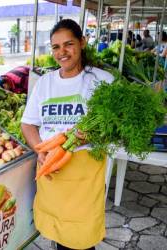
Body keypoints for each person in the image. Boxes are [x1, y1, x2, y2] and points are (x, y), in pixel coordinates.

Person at [21, 19, 114, 250]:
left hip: (84, 175)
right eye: (55, 47)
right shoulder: (45, 83)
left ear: (82, 43)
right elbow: (28, 124)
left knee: (79, 240)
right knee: (57, 233)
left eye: (68, 44)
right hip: (52, 169)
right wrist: (40, 150)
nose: (62, 52)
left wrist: (91, 136)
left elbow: (114, 128)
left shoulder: (102, 81)